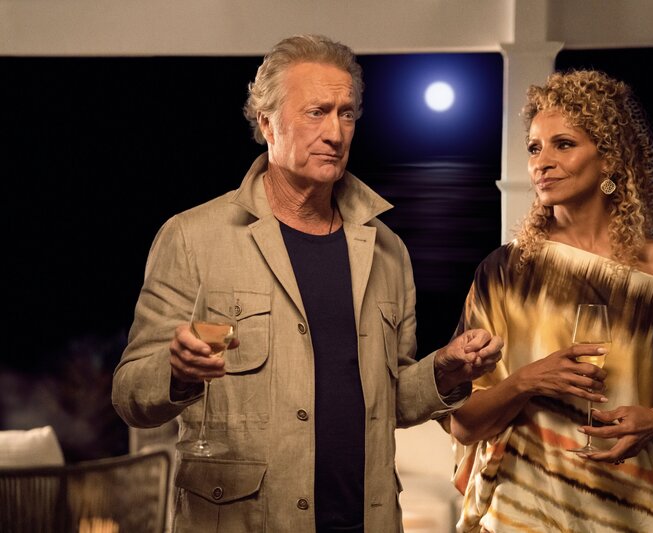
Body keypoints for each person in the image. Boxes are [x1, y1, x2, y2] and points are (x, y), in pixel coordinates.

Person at [111, 33, 503, 533]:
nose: (335, 133)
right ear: (267, 123)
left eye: (346, 114)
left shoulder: (388, 251)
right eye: (316, 112)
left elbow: (390, 403)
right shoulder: (192, 238)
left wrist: (442, 372)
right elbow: (129, 395)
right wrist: (176, 372)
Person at [447, 69, 653, 532]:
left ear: (609, 159)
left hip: (636, 513)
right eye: (534, 148)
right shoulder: (506, 273)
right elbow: (464, 424)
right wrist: (527, 381)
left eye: (563, 144)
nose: (542, 162)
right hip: (524, 515)